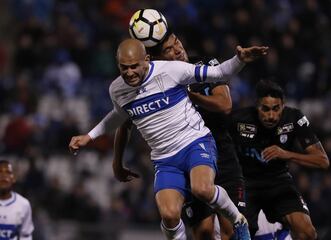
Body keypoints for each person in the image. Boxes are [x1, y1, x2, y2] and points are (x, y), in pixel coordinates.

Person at [69, 38, 268, 240]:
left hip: (194, 142)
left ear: (146, 59)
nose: (129, 73)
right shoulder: (117, 89)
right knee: (169, 215)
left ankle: (238, 220)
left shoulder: (171, 70)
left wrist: (239, 59)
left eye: (134, 66)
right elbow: (119, 115)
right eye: (124, 68)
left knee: (202, 189)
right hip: (165, 159)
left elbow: (220, 73)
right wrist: (89, 136)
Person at [113, 29, 245, 240]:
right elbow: (124, 124)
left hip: (221, 155)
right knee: (203, 232)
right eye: (169, 49)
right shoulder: (152, 81)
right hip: (185, 162)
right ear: (156, 60)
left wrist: (190, 95)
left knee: (230, 233)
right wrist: (117, 163)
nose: (177, 50)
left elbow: (225, 104)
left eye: (177, 43)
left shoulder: (202, 65)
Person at [228, 80, 330, 240]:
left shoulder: (294, 118)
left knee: (308, 233)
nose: (271, 116)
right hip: (246, 184)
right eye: (265, 109)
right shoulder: (238, 120)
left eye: (276, 109)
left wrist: (287, 154)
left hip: (279, 181)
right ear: (257, 106)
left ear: (283, 105)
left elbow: (322, 160)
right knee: (235, 235)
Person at [0, 160, 34, 240]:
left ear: (14, 178)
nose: (3, 175)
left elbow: (26, 235)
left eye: (8, 172)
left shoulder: (23, 204)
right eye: (0, 172)